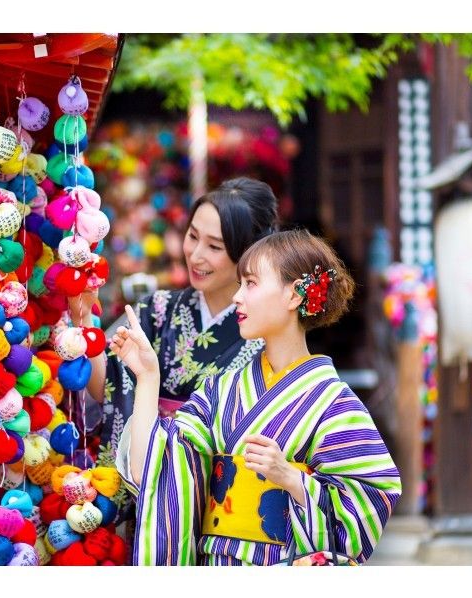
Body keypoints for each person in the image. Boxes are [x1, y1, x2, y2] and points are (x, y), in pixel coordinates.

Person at [110, 229, 401, 565]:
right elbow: (153, 467)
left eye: (250, 283)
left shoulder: (334, 404)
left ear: (294, 296)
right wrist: (148, 377)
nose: (237, 297)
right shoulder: (220, 391)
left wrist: (291, 478)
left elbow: (372, 500)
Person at [69, 177, 280, 461]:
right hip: (142, 475)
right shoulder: (157, 309)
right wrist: (82, 317)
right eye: (193, 237)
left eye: (214, 247)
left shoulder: (264, 331)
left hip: (214, 487)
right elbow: (106, 387)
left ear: (247, 252)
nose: (196, 255)